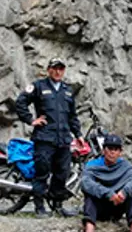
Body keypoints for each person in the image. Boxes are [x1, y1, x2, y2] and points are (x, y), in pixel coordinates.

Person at [15, 58, 82, 217]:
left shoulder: (67, 90)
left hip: (64, 139)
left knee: (62, 173)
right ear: (49, 70)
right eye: (55, 68)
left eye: (61, 68)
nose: (58, 72)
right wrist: (31, 120)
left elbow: (72, 116)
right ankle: (39, 207)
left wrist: (78, 134)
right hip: (45, 138)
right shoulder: (38, 86)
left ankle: (57, 205)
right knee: (42, 173)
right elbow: (20, 102)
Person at [76, 134, 132, 232]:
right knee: (90, 194)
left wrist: (123, 192)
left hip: (118, 205)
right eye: (110, 149)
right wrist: (108, 193)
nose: (112, 152)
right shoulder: (92, 165)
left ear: (120, 152)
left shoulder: (126, 166)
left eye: (116, 149)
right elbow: (86, 183)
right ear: (104, 150)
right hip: (100, 206)